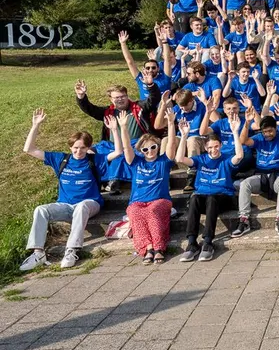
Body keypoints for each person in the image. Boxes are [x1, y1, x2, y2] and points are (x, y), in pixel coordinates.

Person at [21, 110, 120, 270]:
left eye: (82, 148)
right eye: (75, 148)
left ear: (88, 148)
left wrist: (115, 130)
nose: (78, 151)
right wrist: (35, 126)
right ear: (70, 146)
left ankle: (71, 250)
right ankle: (38, 253)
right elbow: (29, 150)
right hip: (65, 205)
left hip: (90, 204)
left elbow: (118, 152)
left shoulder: (95, 160)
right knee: (40, 210)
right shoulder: (61, 159)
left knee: (81, 207)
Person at [176, 116, 245, 262]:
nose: (213, 150)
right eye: (210, 147)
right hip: (203, 197)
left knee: (212, 198)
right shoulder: (201, 159)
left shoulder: (226, 158)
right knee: (194, 197)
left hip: (222, 198)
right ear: (205, 148)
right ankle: (192, 243)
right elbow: (180, 159)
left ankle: (207, 242)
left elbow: (239, 156)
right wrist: (184, 136)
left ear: (220, 145)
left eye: (216, 146)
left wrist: (235, 132)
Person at [118, 109, 175, 264]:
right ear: (141, 151)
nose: (149, 151)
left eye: (153, 147)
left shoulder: (164, 161)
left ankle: (158, 248)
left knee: (152, 211)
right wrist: (123, 127)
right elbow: (126, 148)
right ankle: (147, 248)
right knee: (134, 212)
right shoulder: (136, 162)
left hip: (160, 200)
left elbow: (171, 143)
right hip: (137, 201)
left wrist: (170, 123)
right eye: (145, 149)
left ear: (157, 147)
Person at [234, 112, 279, 238]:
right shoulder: (259, 138)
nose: (267, 134)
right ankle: (244, 218)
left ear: (276, 129)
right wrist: (247, 123)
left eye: (270, 131)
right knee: (245, 184)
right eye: (264, 132)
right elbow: (243, 140)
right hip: (262, 175)